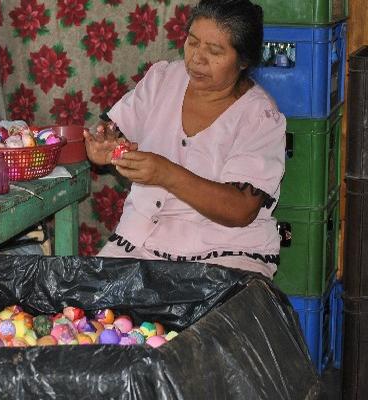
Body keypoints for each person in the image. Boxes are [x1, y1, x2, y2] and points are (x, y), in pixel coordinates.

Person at [84, 0, 285, 279]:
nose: (197, 58)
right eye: (192, 42)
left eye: (214, 51)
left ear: (244, 61)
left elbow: (241, 209)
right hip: (140, 244)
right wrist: (102, 147)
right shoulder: (163, 78)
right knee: (88, 313)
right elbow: (112, 131)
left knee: (212, 321)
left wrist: (166, 174)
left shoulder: (260, 117)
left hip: (228, 254)